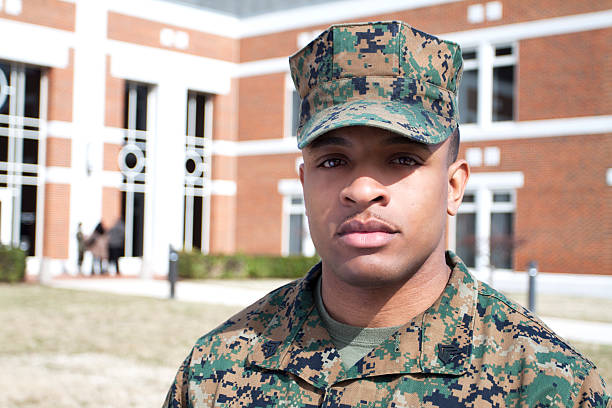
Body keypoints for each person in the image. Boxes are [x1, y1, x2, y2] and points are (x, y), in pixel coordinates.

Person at [163, 21, 610, 407]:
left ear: (453, 187)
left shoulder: (548, 386)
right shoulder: (216, 370)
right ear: (304, 183)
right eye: (333, 161)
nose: (361, 190)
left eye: (402, 159)